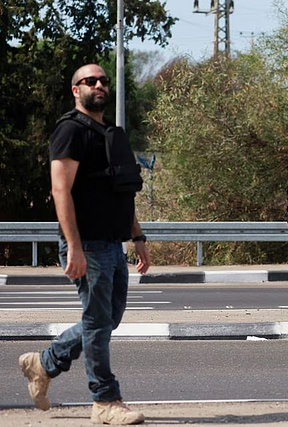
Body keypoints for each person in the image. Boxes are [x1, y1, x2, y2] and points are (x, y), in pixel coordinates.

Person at [18, 64, 150, 425]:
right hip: (87, 245)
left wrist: (137, 237)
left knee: (107, 320)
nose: (98, 85)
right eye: (89, 81)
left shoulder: (111, 133)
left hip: (113, 242)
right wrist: (73, 246)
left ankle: (43, 364)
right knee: (97, 322)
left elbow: (122, 192)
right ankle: (105, 400)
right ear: (75, 90)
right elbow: (60, 190)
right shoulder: (70, 131)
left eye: (103, 81)